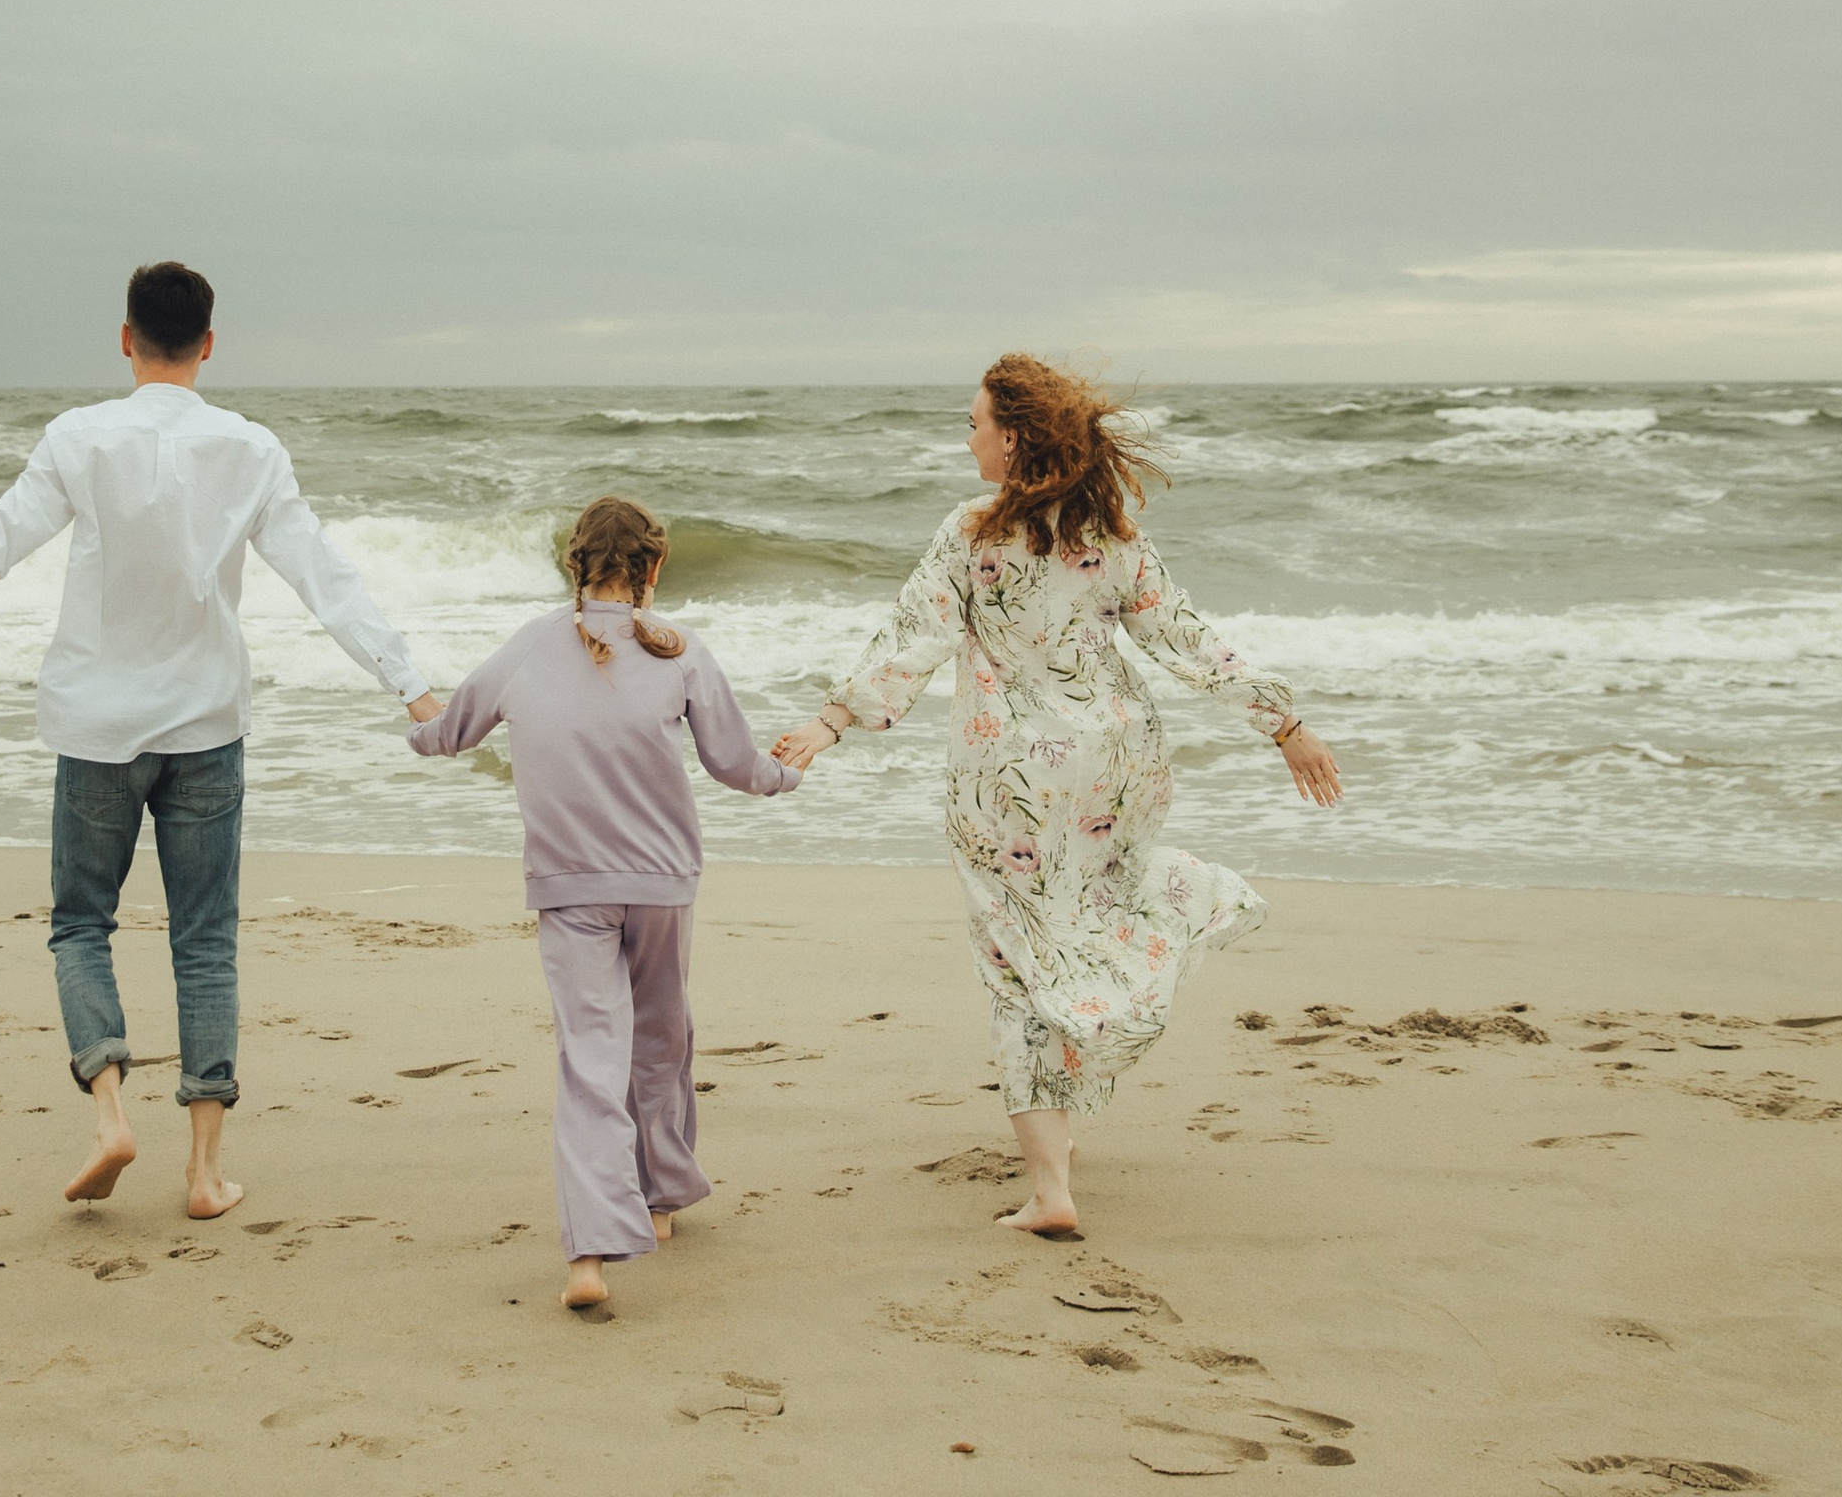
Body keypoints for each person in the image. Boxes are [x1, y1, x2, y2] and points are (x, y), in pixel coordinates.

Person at [0, 261, 443, 1219]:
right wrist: (411, 683)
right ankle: (204, 1172)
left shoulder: (80, 438)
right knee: (206, 939)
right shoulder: (251, 448)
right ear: (211, 343)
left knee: (80, 923)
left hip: (97, 728)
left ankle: (109, 1111)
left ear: (126, 337)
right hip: (207, 727)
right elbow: (325, 578)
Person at [773, 356, 1339, 1240]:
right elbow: (1184, 637)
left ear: (1013, 437)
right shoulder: (1110, 532)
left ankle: (1049, 1186)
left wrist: (830, 722)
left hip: (1011, 783)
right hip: (1116, 765)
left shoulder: (971, 533)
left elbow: (911, 643)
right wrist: (1283, 721)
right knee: (1082, 921)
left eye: (974, 424)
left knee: (1015, 959)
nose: (966, 438)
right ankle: (1170, 923)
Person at [409, 495, 801, 1313]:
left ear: (573, 565)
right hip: (661, 882)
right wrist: (787, 771)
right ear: (654, 568)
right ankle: (656, 1202)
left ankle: (590, 1250)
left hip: (570, 884)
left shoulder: (530, 645)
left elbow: (452, 730)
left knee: (592, 1053)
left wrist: (420, 721)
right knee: (661, 1034)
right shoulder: (681, 649)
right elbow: (736, 763)